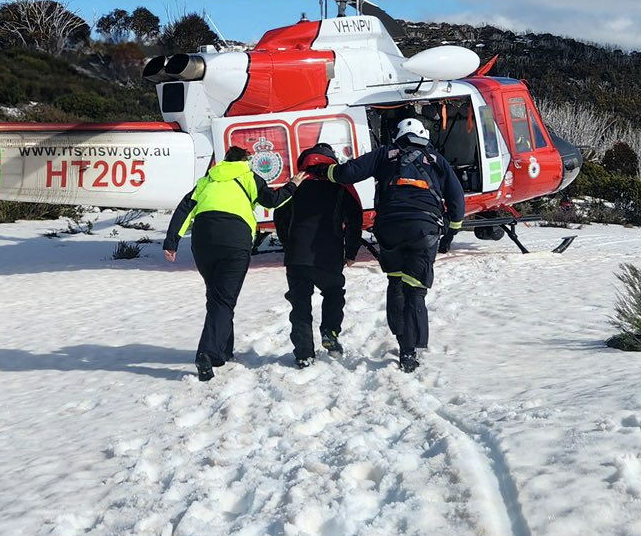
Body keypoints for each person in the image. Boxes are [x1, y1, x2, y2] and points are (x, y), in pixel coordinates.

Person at [330, 117, 465, 372]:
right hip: (423, 228)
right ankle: (410, 351)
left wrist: (326, 170)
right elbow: (457, 200)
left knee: (396, 281)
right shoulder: (437, 160)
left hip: (389, 227)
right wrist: (449, 235)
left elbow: (347, 173)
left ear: (398, 137)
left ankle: (402, 337)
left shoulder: (385, 154)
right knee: (415, 289)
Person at [163, 146, 294, 381]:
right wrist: (293, 185)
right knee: (223, 299)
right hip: (234, 240)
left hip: (203, 242)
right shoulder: (249, 177)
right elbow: (272, 201)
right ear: (245, 161)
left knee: (217, 296)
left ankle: (222, 351)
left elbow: (185, 208)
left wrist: (171, 242)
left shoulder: (207, 180)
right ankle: (207, 353)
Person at [272, 143, 365, 368]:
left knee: (300, 304)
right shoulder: (341, 184)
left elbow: (279, 215)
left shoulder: (295, 184)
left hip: (297, 256)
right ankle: (330, 332)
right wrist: (351, 251)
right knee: (333, 293)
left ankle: (304, 354)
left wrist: (288, 243)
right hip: (328, 253)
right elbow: (355, 219)